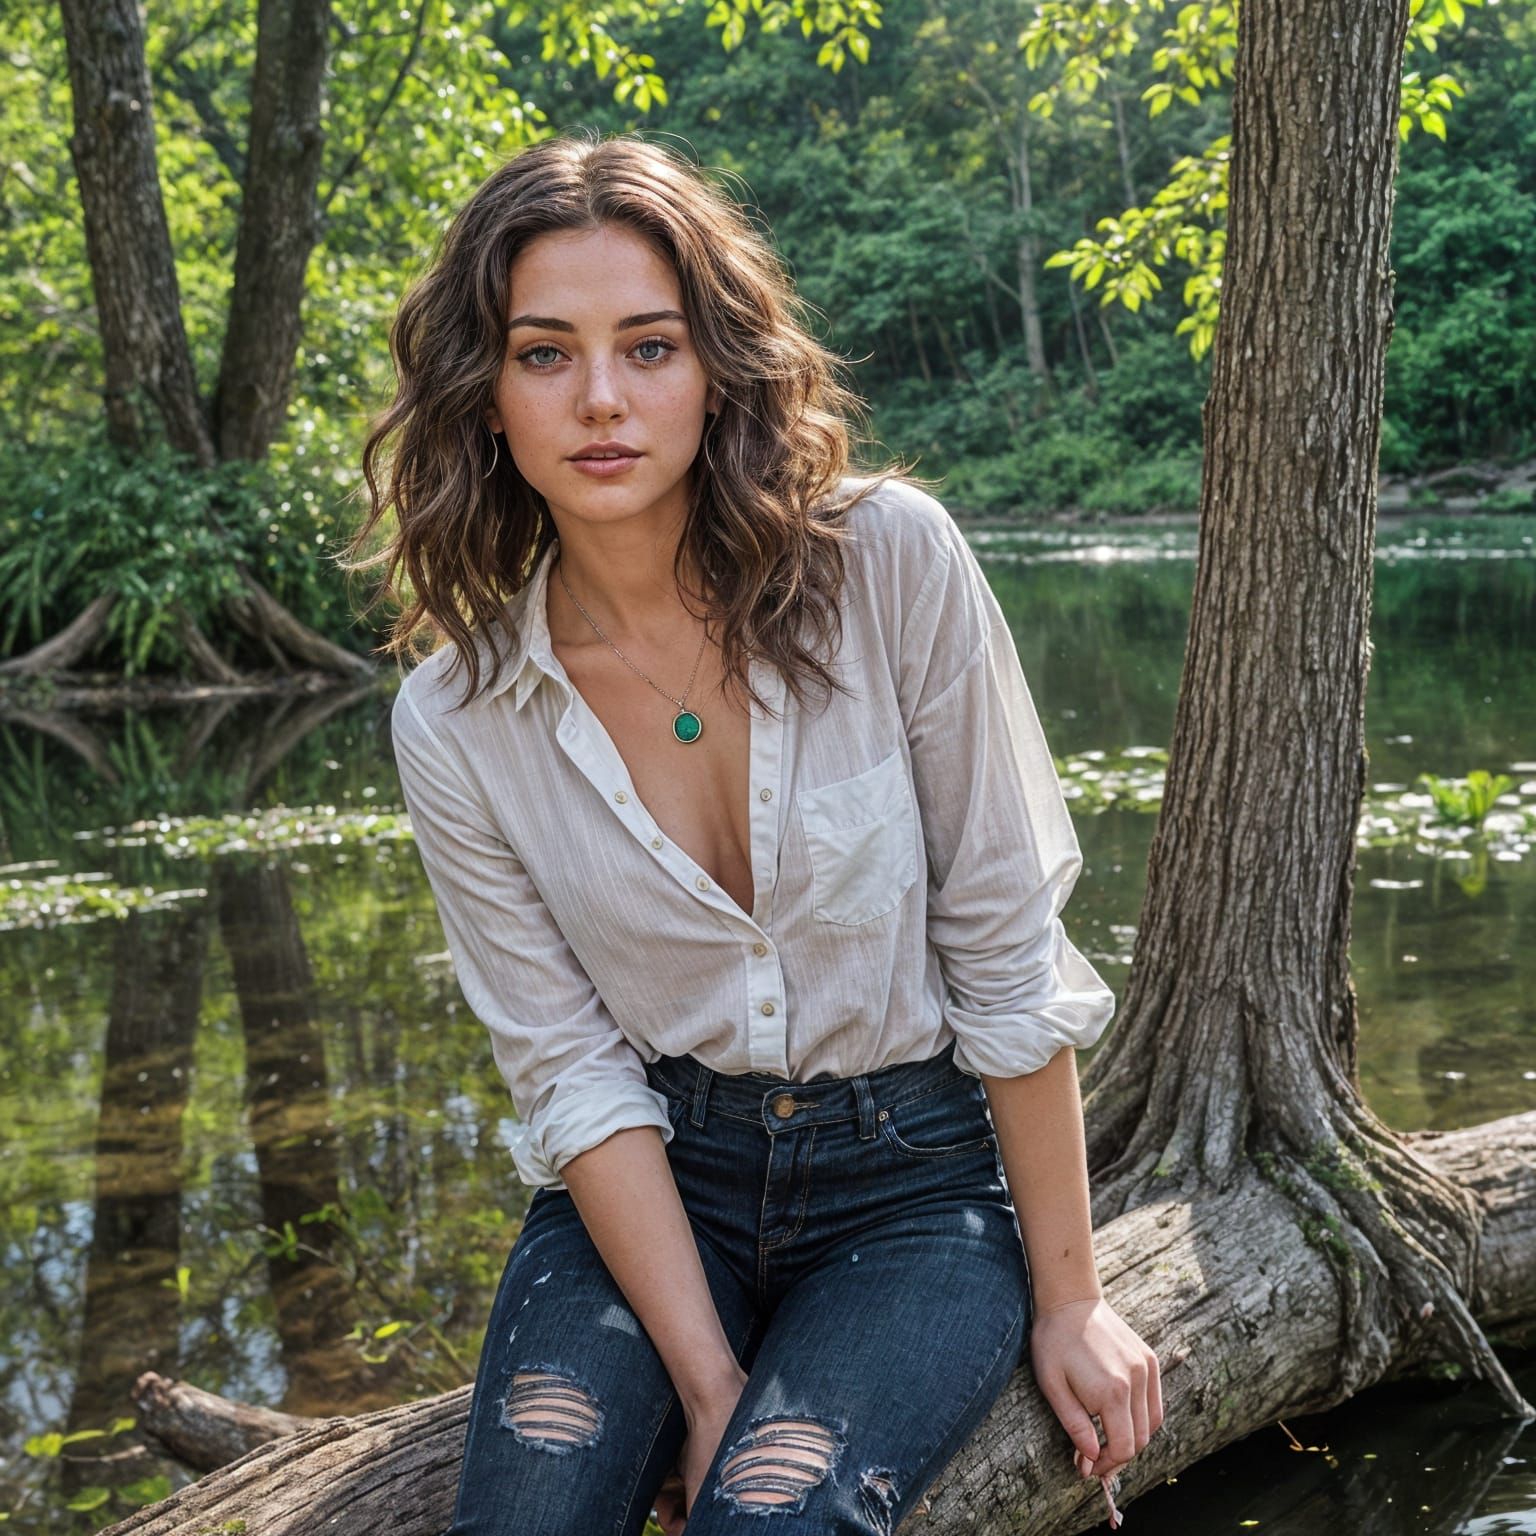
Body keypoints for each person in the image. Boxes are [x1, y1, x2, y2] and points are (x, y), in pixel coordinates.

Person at [347, 126, 1162, 1535]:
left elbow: (1005, 948)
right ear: (486, 397)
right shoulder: (457, 716)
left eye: (648, 347)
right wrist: (712, 1384)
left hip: (917, 1187)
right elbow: (572, 1071)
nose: (601, 399)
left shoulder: (888, 563)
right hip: (666, 1177)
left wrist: (1074, 1297)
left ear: (717, 368)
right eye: (545, 354)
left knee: (772, 1520)